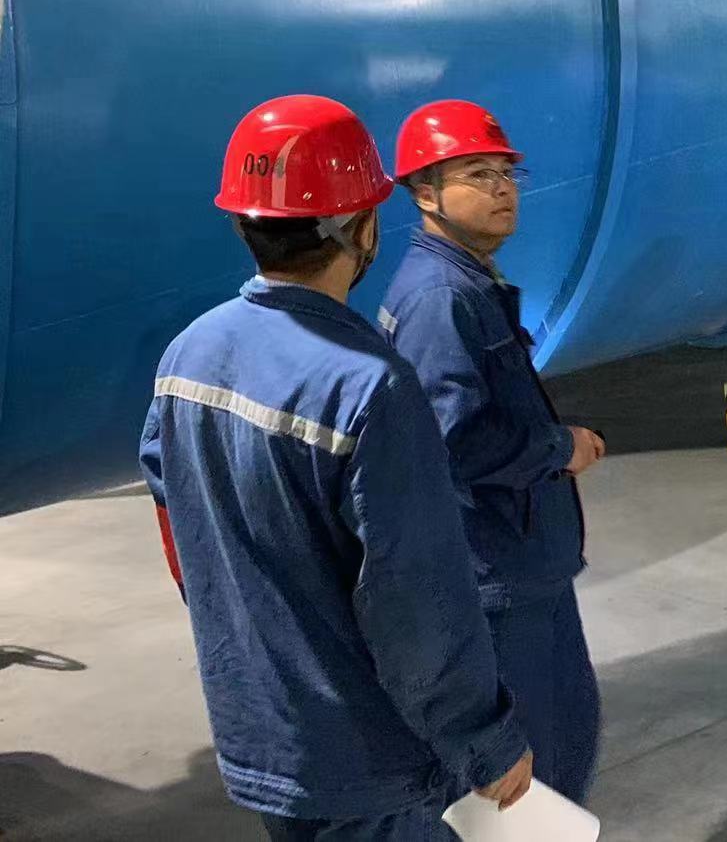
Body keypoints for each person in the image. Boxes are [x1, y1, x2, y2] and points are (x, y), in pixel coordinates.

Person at [139, 95, 533, 841]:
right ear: (362, 226)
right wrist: (484, 738)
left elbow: (181, 536)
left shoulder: (188, 354)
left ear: (243, 222)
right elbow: (416, 599)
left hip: (260, 728)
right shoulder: (369, 385)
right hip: (364, 756)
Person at [379, 100, 605, 804]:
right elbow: (455, 440)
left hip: (519, 561)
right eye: (478, 174)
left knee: (560, 743)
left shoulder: (466, 285)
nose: (503, 189)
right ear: (425, 192)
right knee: (538, 767)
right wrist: (559, 447)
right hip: (498, 572)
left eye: (508, 174)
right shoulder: (441, 299)